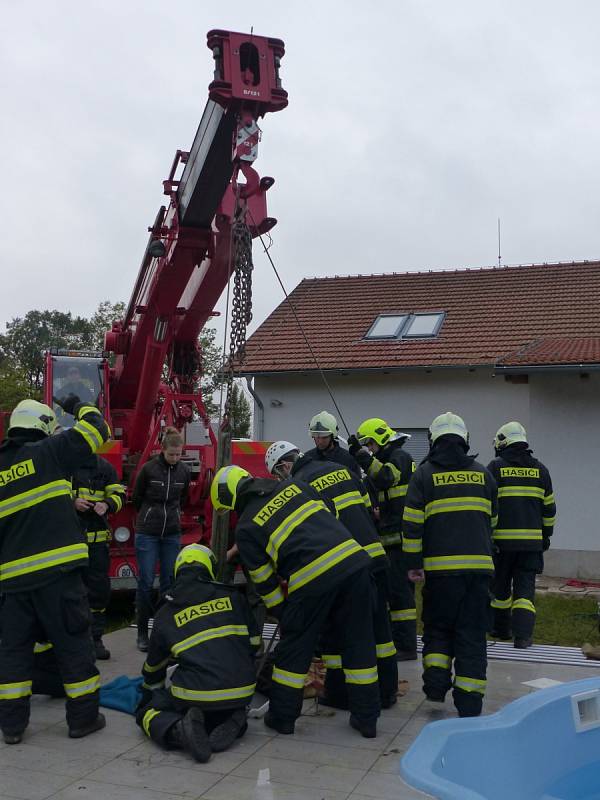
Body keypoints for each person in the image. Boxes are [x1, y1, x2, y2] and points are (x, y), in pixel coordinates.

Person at [210, 464, 380, 738]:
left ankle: (283, 718)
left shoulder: (246, 526)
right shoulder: (292, 485)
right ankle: (367, 719)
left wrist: (283, 612)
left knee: (295, 649)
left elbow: (264, 581)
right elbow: (329, 511)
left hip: (313, 576)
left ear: (229, 498)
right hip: (354, 563)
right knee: (359, 642)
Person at [0, 396, 110, 744]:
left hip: (13, 584)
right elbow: (97, 430)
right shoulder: (50, 452)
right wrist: (80, 405)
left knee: (14, 654)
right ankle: (83, 719)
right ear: (44, 427)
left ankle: (13, 728)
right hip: (58, 576)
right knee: (73, 645)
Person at [265, 441, 398, 710]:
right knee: (381, 632)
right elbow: (366, 509)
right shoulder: (341, 468)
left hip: (345, 564)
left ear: (285, 465)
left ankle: (339, 694)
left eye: (278, 473)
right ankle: (387, 692)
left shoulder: (300, 485)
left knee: (338, 633)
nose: (280, 479)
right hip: (376, 556)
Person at [402, 412, 498, 718]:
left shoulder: (423, 475)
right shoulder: (484, 474)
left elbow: (412, 526)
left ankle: (435, 689)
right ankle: (470, 704)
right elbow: (493, 521)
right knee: (471, 634)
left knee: (439, 630)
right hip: (478, 573)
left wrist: (413, 564)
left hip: (440, 574)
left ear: (433, 441)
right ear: (465, 440)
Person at [136, 544, 259, 762]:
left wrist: (150, 692)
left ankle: (177, 732)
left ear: (177, 571)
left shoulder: (166, 612)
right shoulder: (234, 597)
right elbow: (255, 644)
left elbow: (154, 668)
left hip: (196, 694)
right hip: (243, 690)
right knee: (216, 704)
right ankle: (233, 719)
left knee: (147, 712)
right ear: (210, 569)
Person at [348, 418, 418, 660]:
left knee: (400, 593)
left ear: (378, 440)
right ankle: (394, 640)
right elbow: (372, 489)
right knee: (391, 592)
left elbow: (386, 477)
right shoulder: (382, 461)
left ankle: (407, 646)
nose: (369, 449)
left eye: (369, 444)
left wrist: (362, 457)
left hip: (401, 538)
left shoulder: (399, 457)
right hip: (388, 538)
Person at [487, 421, 556, 649]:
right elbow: (549, 510)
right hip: (531, 546)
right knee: (525, 592)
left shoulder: (495, 468)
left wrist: (488, 536)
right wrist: (546, 536)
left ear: (502, 442)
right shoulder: (541, 470)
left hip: (501, 545)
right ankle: (523, 637)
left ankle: (500, 629)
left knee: (500, 589)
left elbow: (487, 506)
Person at [132, 426, 191, 652]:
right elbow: (137, 498)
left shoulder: (184, 471)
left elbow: (183, 498)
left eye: (178, 455)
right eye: (171, 454)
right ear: (163, 450)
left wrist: (174, 517)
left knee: (168, 582)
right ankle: (142, 633)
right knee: (146, 581)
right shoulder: (148, 470)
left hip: (171, 533)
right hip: (147, 532)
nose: (175, 459)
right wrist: (149, 516)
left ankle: (163, 630)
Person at [73, 454, 126, 660]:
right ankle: (74, 642)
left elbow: (119, 494)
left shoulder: (105, 467)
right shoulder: (64, 465)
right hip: (70, 542)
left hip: (97, 544)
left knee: (98, 593)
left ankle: (96, 639)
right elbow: (50, 497)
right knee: (71, 593)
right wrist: (72, 502)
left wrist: (108, 504)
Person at [304, 411, 363, 481]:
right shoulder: (307, 459)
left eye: (324, 437)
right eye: (316, 437)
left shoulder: (348, 459)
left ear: (333, 436)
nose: (320, 441)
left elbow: (358, 485)